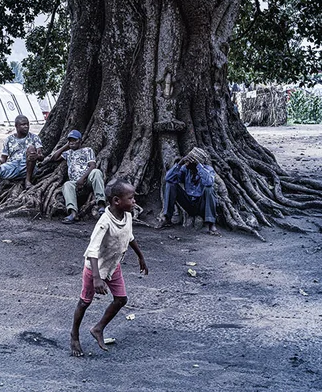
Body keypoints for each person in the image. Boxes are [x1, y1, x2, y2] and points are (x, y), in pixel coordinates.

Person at [70, 179, 148, 357]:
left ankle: (98, 328)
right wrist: (97, 278)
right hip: (95, 268)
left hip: (113, 266)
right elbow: (92, 250)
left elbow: (129, 236)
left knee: (121, 299)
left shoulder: (127, 216)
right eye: (131, 198)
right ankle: (74, 335)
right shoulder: (104, 222)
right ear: (116, 201)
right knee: (84, 302)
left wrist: (141, 256)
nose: (134, 201)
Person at [0, 115, 42, 211]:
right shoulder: (9, 139)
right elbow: (3, 159)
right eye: (23, 124)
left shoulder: (34, 138)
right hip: (13, 165)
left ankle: (27, 181)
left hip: (28, 166)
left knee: (31, 149)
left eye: (27, 124)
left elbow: (41, 156)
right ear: (16, 126)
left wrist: (37, 156)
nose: (26, 126)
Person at [48, 129, 106, 224]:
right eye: (70, 140)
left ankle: (101, 204)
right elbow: (54, 158)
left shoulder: (87, 150)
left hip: (87, 179)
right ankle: (73, 212)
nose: (72, 142)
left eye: (74, 140)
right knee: (67, 185)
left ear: (80, 140)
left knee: (96, 172)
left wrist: (82, 179)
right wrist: (66, 146)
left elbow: (92, 165)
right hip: (74, 182)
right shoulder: (68, 153)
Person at [158, 147, 219, 235]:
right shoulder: (185, 169)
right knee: (170, 184)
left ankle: (211, 223)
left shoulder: (208, 169)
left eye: (190, 160)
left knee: (209, 188)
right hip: (189, 202)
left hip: (201, 205)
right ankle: (167, 218)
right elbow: (168, 178)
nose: (187, 162)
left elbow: (209, 182)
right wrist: (179, 164)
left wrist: (198, 166)